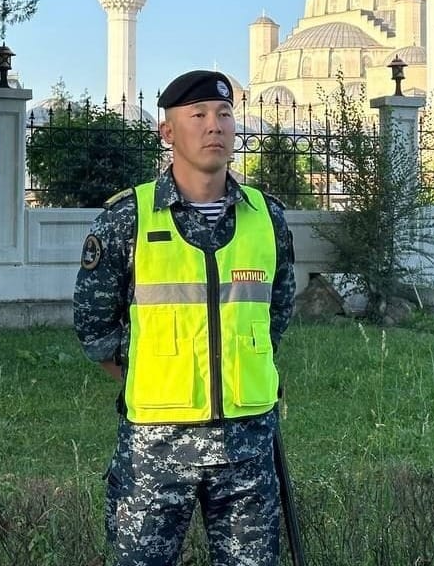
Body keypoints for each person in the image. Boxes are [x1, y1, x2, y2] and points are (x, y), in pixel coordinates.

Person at [73, 69, 296, 566]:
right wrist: (150, 372)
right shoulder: (129, 217)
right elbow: (94, 324)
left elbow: (276, 311)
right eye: (198, 115)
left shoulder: (266, 218)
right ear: (168, 132)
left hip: (246, 442)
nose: (214, 125)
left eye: (224, 114)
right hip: (156, 446)